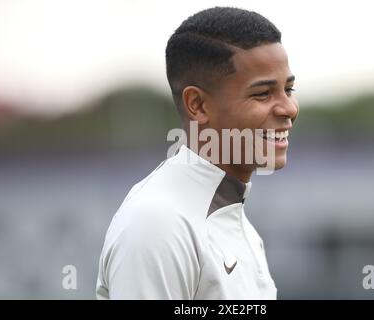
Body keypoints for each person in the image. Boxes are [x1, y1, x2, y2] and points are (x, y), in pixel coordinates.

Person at [96, 6, 299, 299]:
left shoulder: (234, 218)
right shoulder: (158, 225)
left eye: (289, 89)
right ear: (198, 105)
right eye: (263, 94)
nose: (289, 109)